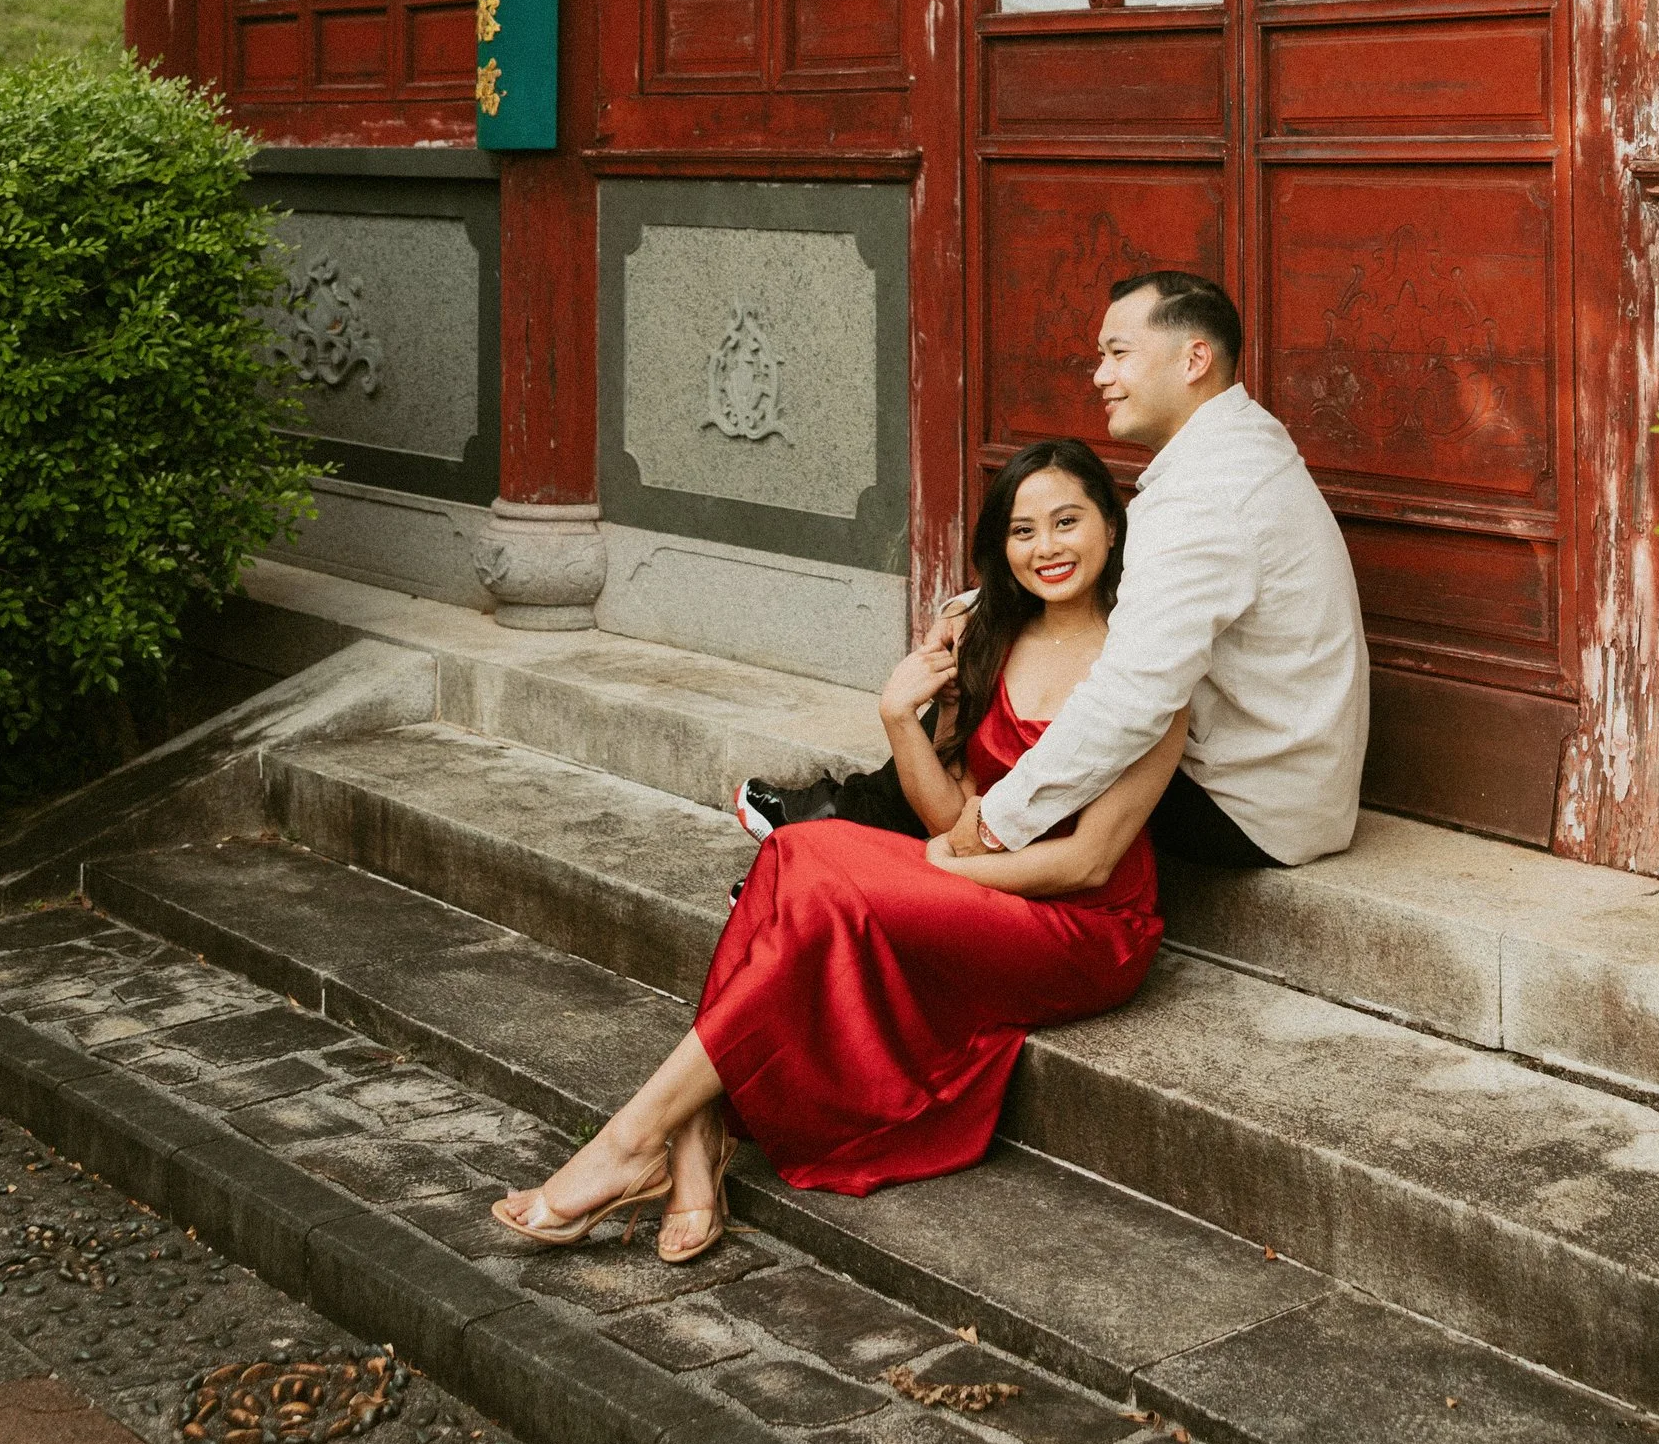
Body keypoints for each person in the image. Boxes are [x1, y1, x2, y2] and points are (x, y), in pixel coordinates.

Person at [489, 437, 1180, 1247]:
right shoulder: (988, 638)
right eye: (1023, 532)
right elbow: (947, 812)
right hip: (976, 884)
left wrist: (941, 871)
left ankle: (644, 1139)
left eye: (1067, 522)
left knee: (816, 872)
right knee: (792, 855)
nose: (1047, 548)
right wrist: (899, 717)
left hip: (1086, 928)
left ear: (1111, 525)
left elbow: (1088, 860)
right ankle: (677, 1139)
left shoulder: (1150, 671)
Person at [740, 270, 1368, 877]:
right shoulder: (1238, 452)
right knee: (1017, 631)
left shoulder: (1208, 499)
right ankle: (854, 832)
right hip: (1292, 786)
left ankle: (859, 837)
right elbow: (1139, 586)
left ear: (1193, 359)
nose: (1101, 376)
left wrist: (997, 823)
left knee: (1028, 679)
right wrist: (977, 606)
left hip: (1246, 806)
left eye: (1118, 354)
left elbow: (1132, 697)